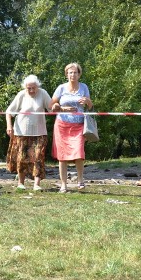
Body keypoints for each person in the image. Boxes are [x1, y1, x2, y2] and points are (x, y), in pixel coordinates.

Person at [50, 62, 93, 193]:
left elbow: (90, 106)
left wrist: (87, 102)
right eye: (70, 72)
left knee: (79, 153)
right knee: (62, 156)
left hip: (79, 125)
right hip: (62, 124)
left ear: (79, 74)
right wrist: (62, 108)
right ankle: (63, 185)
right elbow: (52, 106)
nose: (72, 75)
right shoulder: (61, 88)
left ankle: (80, 181)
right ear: (66, 74)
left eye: (75, 72)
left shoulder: (84, 87)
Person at [5, 74, 53, 191]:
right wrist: (9, 126)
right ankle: (21, 183)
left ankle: (37, 184)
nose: (31, 90)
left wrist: (58, 106)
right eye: (29, 88)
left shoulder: (43, 93)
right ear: (25, 87)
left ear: (37, 86)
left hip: (39, 132)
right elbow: (9, 112)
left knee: (38, 157)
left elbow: (51, 108)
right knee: (21, 157)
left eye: (33, 88)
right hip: (21, 132)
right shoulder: (21, 95)